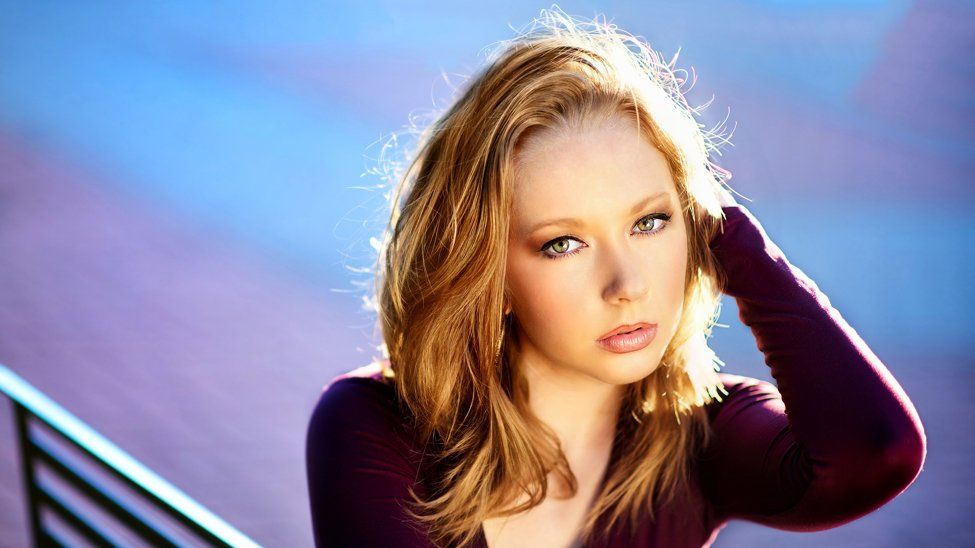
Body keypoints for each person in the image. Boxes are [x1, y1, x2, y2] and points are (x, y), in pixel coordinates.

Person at [305, 8, 926, 548]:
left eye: (651, 221)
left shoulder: (701, 437)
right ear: (486, 274)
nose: (626, 284)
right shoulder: (375, 426)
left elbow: (879, 453)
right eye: (564, 243)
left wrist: (742, 249)